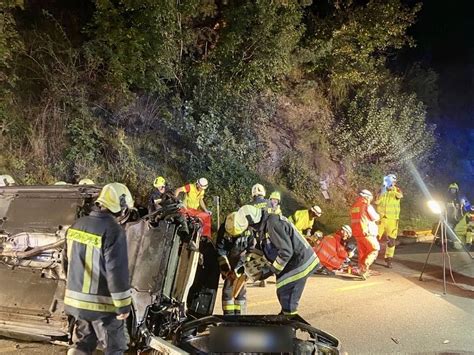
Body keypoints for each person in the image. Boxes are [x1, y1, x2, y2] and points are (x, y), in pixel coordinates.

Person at [64, 183, 133, 355]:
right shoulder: (113, 231)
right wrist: (123, 306)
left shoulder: (76, 225)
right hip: (102, 307)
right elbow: (116, 272)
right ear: (121, 205)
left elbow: (66, 261)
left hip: (76, 303)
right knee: (115, 348)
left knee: (83, 344)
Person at [236, 205, 319, 316]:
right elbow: (262, 249)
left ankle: (289, 324)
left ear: (253, 222)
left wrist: (271, 269)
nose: (250, 229)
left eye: (250, 226)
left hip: (300, 262)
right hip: (294, 261)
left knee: (286, 291)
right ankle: (286, 318)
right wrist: (246, 266)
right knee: (282, 291)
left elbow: (285, 252)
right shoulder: (265, 225)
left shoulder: (273, 224)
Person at [216, 212, 255, 315]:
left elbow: (251, 251)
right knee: (228, 291)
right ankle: (229, 318)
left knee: (240, 291)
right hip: (229, 261)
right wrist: (227, 271)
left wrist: (241, 270)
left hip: (243, 261)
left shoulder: (249, 230)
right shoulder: (224, 229)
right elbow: (220, 251)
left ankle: (241, 317)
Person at [374, 174, 403, 268]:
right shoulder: (381, 190)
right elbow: (376, 202)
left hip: (392, 220)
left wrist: (392, 190)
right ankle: (372, 255)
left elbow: (400, 196)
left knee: (391, 241)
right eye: (390, 181)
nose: (392, 183)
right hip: (380, 219)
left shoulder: (397, 190)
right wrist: (383, 190)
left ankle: (389, 258)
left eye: (393, 182)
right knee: (374, 237)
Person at [350, 189, 380, 280]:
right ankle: (363, 268)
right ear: (366, 197)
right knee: (374, 249)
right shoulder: (366, 205)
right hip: (367, 232)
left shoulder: (354, 206)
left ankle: (362, 271)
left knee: (363, 252)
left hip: (357, 233)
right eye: (370, 198)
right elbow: (375, 217)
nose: (370, 200)